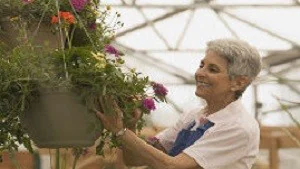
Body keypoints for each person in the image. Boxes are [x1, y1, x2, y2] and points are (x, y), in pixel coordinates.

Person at [96, 38, 262, 169]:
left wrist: (120, 131)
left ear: (239, 83)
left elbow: (171, 166)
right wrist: (130, 124)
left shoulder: (238, 127)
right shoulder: (194, 117)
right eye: (201, 65)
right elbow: (134, 160)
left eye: (212, 69)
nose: (200, 73)